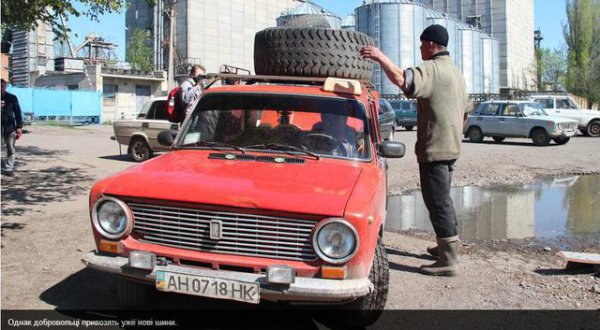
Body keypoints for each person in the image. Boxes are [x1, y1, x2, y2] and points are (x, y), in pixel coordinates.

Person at [361, 24, 472, 277]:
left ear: (431, 44)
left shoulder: (432, 70)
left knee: (437, 201)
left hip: (436, 148)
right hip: (452, 146)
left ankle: (449, 260)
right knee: (443, 198)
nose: (420, 48)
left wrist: (379, 57)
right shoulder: (456, 73)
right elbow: (466, 112)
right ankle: (446, 244)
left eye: (422, 44)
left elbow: (404, 81)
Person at [1, 78, 23, 177]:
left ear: (5, 86)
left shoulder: (12, 98)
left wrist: (19, 127)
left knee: (10, 148)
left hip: (9, 127)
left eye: (2, 86)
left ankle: (8, 168)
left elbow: (18, 113)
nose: (1, 88)